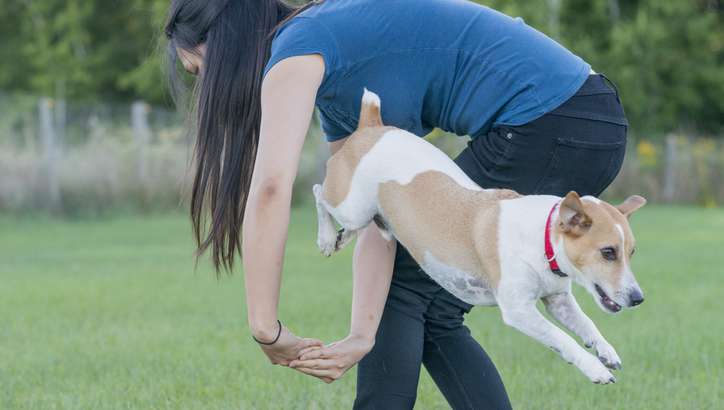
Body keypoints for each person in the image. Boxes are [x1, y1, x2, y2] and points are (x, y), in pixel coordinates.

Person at [163, 0, 628, 408]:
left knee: (414, 293)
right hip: (580, 117)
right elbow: (381, 217)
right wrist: (360, 336)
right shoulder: (331, 57)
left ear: (226, 43)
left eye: (199, 69)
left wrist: (265, 327)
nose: (205, 88)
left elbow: (270, 189)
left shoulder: (298, 50)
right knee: (430, 304)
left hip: (553, 120)